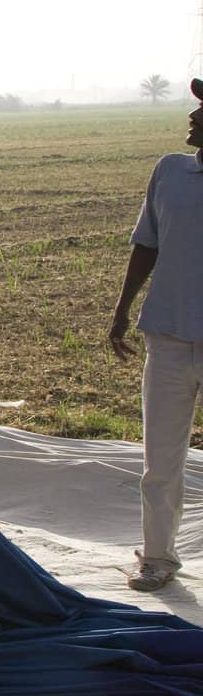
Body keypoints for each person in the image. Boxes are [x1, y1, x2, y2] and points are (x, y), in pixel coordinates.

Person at [108, 76, 203, 593]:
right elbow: (146, 245)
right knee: (159, 462)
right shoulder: (170, 171)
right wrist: (122, 310)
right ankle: (158, 559)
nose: (194, 113)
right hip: (166, 338)